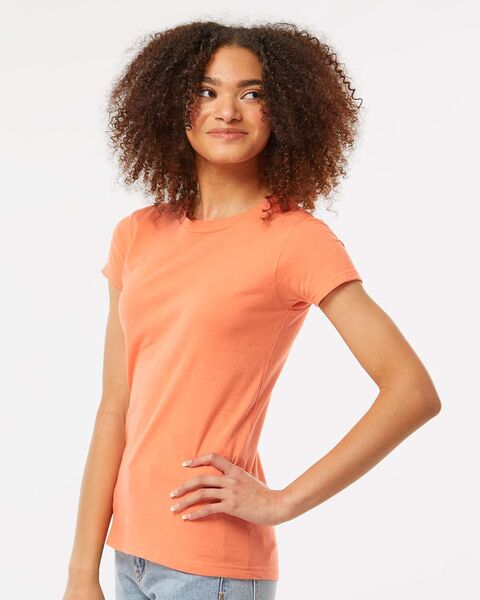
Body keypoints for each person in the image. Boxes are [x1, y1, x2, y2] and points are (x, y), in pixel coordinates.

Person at [63, 21, 441, 600]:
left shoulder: (295, 239)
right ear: (173, 105)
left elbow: (412, 391)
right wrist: (80, 572)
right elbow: (115, 407)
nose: (228, 110)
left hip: (213, 569)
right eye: (206, 90)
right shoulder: (137, 234)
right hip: (129, 553)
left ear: (283, 109)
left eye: (253, 93)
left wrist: (281, 502)